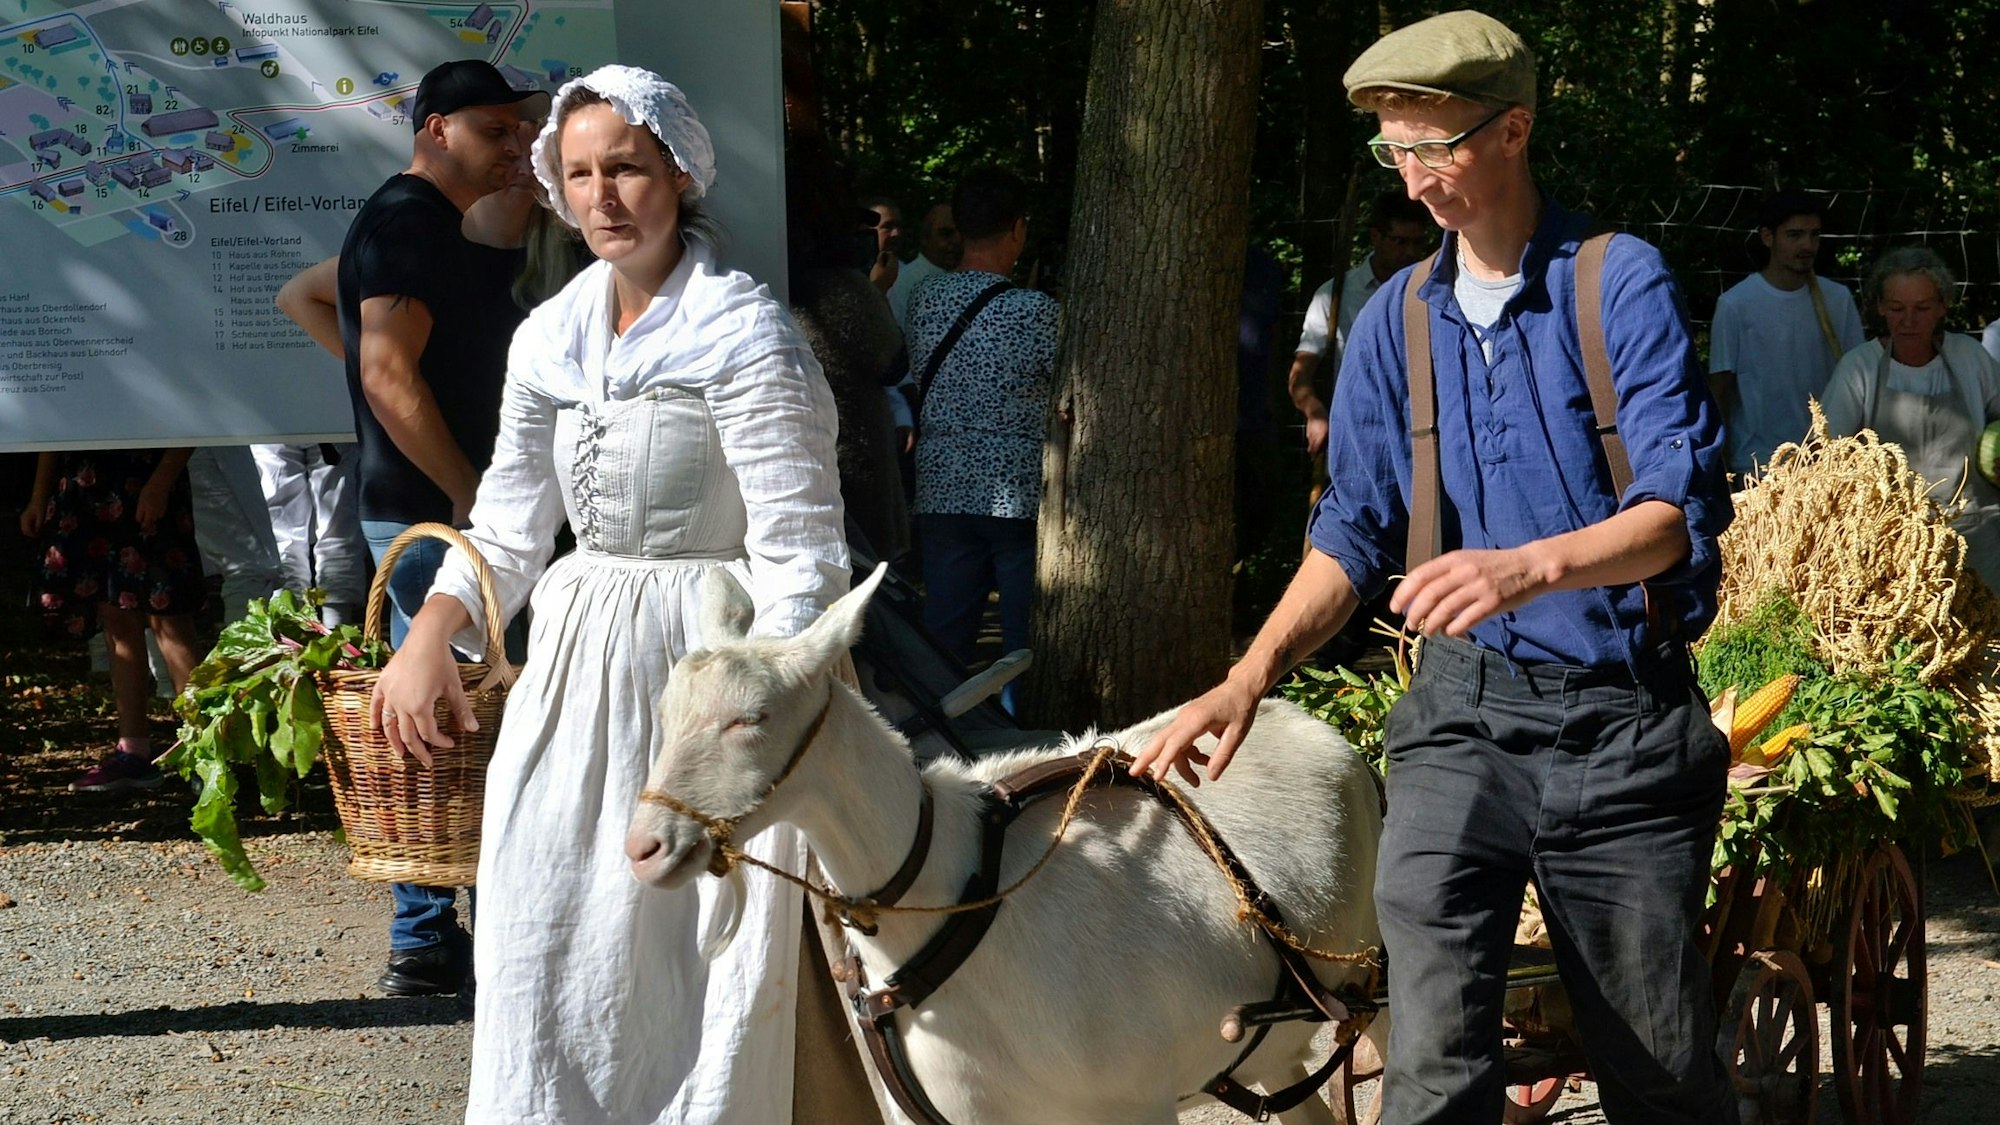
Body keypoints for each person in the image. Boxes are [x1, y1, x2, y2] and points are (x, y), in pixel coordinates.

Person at [1132, 11, 1737, 1123]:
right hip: (1457, 721)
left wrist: (1523, 569)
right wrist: (1246, 673)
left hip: (1621, 730)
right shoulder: (1393, 319)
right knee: (1429, 1055)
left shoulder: (1616, 282)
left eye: (1434, 147)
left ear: (1510, 132)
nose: (1412, 183)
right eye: (1393, 153)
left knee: (1653, 1066)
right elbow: (1351, 532)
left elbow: (1671, 517)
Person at [369, 65, 848, 1123]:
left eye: (625, 168)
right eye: (579, 173)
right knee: (542, 930)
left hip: (702, 675)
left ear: (677, 173)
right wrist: (428, 635)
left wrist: (757, 710)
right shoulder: (550, 335)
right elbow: (505, 524)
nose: (603, 196)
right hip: (575, 674)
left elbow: (802, 554)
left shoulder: (745, 334)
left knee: (688, 957)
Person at [335, 58, 548, 1000]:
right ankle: (423, 943)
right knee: (435, 715)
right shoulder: (407, 220)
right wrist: (467, 490)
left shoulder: (423, 228)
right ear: (434, 130)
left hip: (432, 509)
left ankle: (455, 931)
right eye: (494, 129)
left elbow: (305, 297)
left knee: (470, 709)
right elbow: (386, 372)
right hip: (436, 520)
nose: (514, 145)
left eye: (519, 129)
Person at [906, 166, 1058, 713]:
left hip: (942, 489)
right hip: (1015, 499)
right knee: (1020, 644)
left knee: (944, 641)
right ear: (1017, 230)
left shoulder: (924, 299)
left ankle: (937, 740)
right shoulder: (1039, 313)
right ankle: (1021, 747)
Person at [24, 449, 204, 792]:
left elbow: (191, 415)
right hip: (86, 482)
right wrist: (39, 495)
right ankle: (133, 754)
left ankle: (207, 750)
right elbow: (49, 422)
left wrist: (161, 481)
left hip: (147, 475)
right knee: (114, 615)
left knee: (169, 617)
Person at [1823, 246, 2000, 589]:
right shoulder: (1860, 369)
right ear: (1880, 308)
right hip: (1893, 539)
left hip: (1977, 532)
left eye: (1921, 308)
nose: (1908, 320)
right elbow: (1827, 453)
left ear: (1942, 306)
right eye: (1896, 308)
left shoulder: (1970, 357)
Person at [1709, 189, 1865, 477]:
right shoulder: (1735, 305)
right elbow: (1721, 390)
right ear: (1768, 237)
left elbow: (1861, 377)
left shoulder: (1837, 299)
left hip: (1826, 464)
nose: (1807, 245)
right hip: (1757, 467)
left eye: (1814, 235)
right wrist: (1721, 467)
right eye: (1794, 235)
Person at [1287, 190, 1434, 458]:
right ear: (1376, 236)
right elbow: (1299, 375)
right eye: (1400, 241)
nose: (1411, 252)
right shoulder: (1334, 295)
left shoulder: (1434, 292)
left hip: (1423, 436)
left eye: (1418, 242)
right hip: (1355, 437)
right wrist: (1315, 413)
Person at [885, 200, 963, 329]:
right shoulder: (905, 283)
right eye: (946, 234)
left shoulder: (966, 279)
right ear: (924, 239)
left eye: (961, 233)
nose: (956, 240)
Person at [858, 193, 903, 294]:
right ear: (865, 229)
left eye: (899, 226)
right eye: (887, 226)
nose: (896, 233)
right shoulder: (850, 275)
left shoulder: (909, 275)